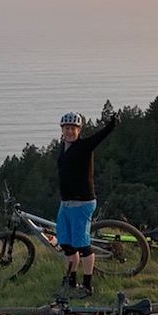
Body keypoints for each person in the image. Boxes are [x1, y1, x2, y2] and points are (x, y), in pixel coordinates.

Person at [56, 107, 119, 296]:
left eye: (73, 128)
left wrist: (111, 124)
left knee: (82, 245)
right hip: (66, 203)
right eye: (66, 128)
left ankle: (87, 285)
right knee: (66, 244)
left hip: (82, 203)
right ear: (62, 130)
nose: (69, 131)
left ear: (79, 130)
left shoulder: (84, 146)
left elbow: (100, 136)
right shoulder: (64, 147)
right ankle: (71, 282)